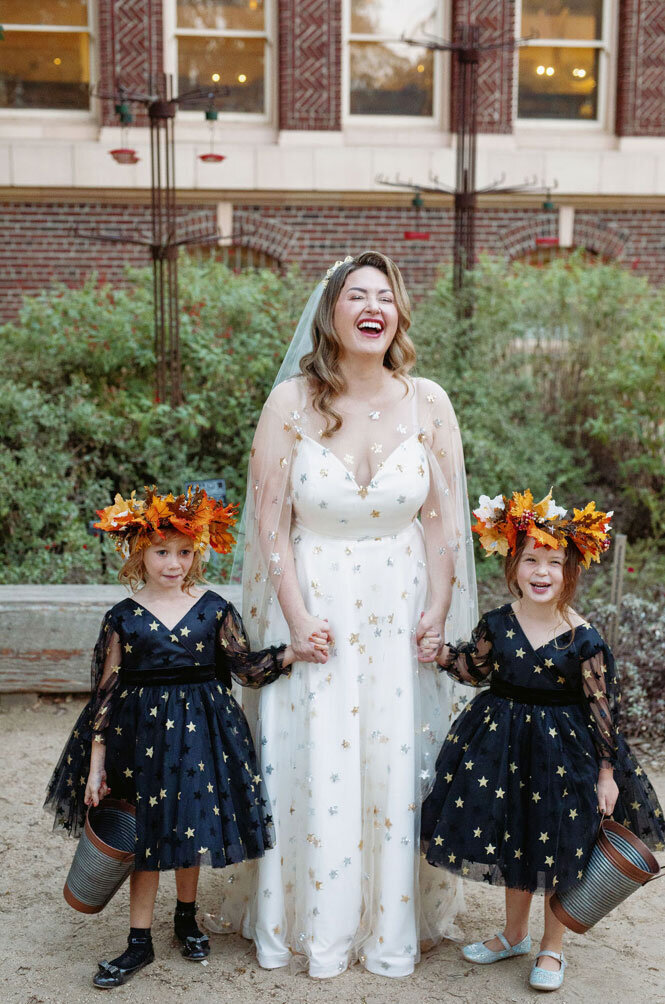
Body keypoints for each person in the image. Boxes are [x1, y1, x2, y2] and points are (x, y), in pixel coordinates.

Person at [217, 251, 478, 978]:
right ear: (330, 313)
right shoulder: (289, 403)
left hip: (397, 607)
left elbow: (440, 520)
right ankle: (308, 925)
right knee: (314, 753)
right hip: (316, 597)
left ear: (396, 314)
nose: (373, 306)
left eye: (385, 296)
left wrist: (436, 608)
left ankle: (385, 924)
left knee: (390, 756)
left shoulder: (427, 400)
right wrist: (296, 620)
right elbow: (269, 523)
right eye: (356, 295)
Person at [44, 486, 327, 989]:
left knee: (191, 826)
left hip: (203, 736)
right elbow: (104, 695)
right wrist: (96, 765)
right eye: (161, 551)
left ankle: (186, 917)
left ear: (198, 552)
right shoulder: (123, 617)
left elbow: (243, 666)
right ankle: (138, 941)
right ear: (138, 553)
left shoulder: (214, 608)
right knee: (146, 834)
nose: (174, 563)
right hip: (140, 739)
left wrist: (290, 654)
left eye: (185, 551)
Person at [419, 489, 665, 992]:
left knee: (561, 842)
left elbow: (603, 711)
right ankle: (513, 933)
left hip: (565, 755)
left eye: (554, 562)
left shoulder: (584, 638)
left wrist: (605, 773)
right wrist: (439, 653)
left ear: (571, 570)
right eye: (531, 559)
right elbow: (476, 668)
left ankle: (552, 946)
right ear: (514, 564)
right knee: (517, 836)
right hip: (501, 747)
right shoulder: (497, 624)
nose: (541, 571)